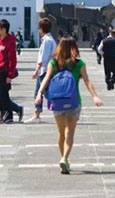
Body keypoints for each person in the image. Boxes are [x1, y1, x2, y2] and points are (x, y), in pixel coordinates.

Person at [35, 37, 104, 174]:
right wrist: (95, 96)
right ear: (74, 48)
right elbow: (87, 81)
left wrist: (39, 93)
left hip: (57, 102)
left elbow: (47, 79)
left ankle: (63, 158)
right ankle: (65, 158)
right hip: (73, 102)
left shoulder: (53, 63)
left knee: (61, 133)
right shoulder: (79, 64)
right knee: (69, 132)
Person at [24, 18, 58, 124]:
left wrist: (36, 70)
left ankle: (61, 111)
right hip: (46, 70)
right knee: (41, 93)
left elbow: (43, 58)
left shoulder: (47, 41)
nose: (38, 30)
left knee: (46, 94)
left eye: (39, 28)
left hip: (45, 71)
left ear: (42, 28)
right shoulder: (49, 39)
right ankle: (37, 114)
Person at [0, 19, 22, 124]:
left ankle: (5, 111)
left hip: (4, 71)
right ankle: (8, 115)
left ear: (4, 29)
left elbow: (12, 59)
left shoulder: (10, 40)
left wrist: (10, 75)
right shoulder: (0, 40)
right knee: (3, 93)